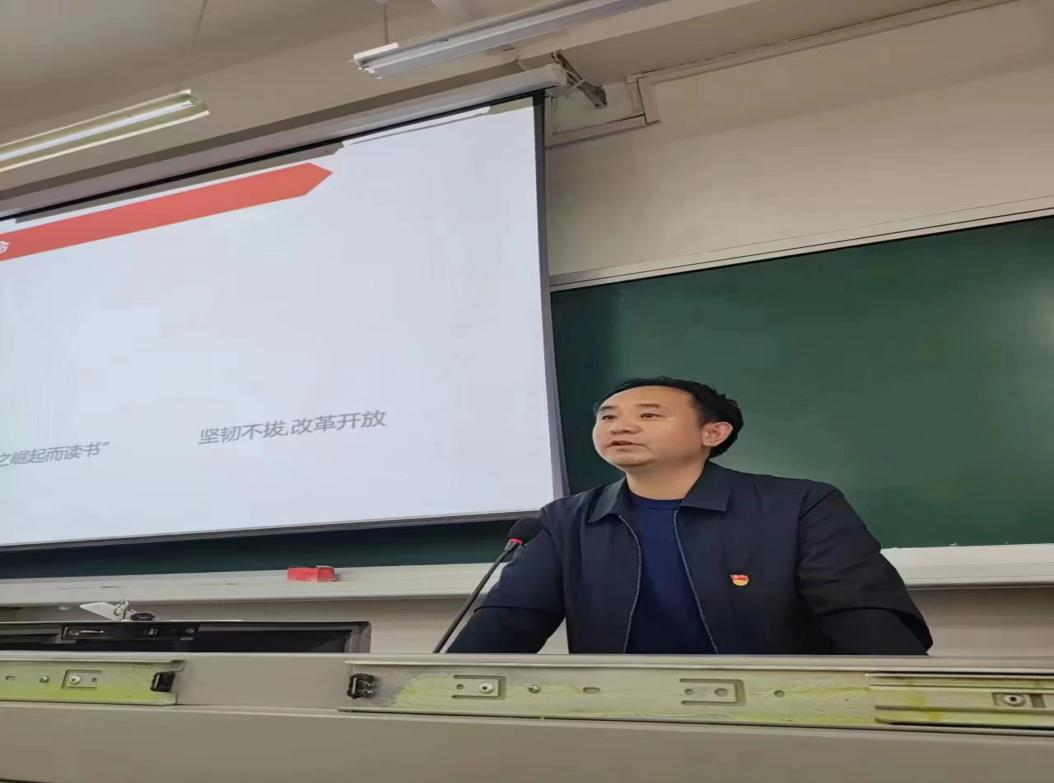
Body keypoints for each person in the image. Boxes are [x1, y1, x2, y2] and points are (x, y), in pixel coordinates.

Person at [450, 376, 931, 655]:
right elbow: (506, 623)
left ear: (713, 433)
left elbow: (864, 619)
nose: (621, 426)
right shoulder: (564, 519)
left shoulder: (800, 504)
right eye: (608, 416)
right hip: (623, 716)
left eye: (649, 415)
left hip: (785, 715)